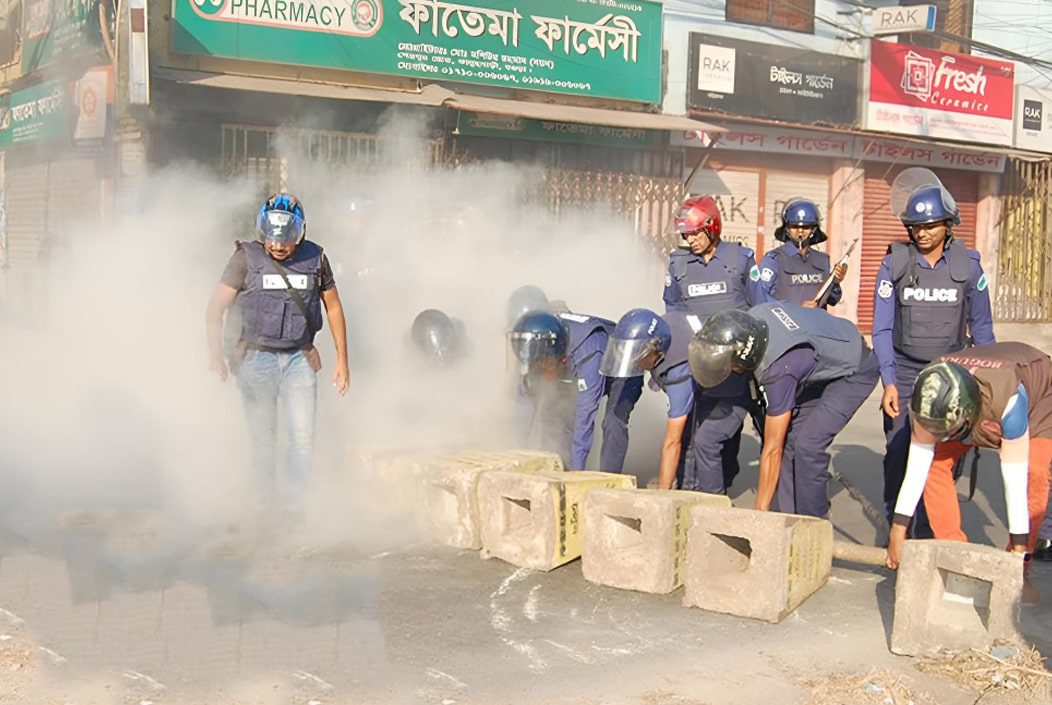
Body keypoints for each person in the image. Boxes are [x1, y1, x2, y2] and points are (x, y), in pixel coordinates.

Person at [206, 193, 349, 509]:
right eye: (272, 237)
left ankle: (294, 509)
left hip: (300, 359)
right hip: (256, 359)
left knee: (302, 439)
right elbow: (216, 307)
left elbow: (334, 308)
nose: (279, 245)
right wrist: (216, 353)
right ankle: (265, 505)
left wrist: (342, 359)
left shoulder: (316, 259)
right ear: (263, 231)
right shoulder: (245, 259)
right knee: (264, 439)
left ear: (299, 233)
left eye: (286, 237)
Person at [873, 181, 995, 538]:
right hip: (906, 372)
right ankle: (897, 530)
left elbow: (983, 329)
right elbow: (881, 329)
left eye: (930, 225)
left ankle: (927, 537)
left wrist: (986, 384)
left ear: (948, 225)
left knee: (941, 462)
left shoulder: (969, 266)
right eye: (916, 226)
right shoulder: (894, 263)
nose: (922, 233)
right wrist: (889, 381)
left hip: (952, 376)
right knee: (899, 455)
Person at [886, 345, 1052, 602]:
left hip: (1038, 394)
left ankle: (1020, 574)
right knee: (934, 465)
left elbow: (1015, 486)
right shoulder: (926, 395)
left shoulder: (1010, 403)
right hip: (964, 403)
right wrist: (898, 530)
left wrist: (1019, 558)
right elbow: (918, 466)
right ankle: (957, 561)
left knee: (1035, 473)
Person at [688, 303, 879, 517]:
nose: (730, 371)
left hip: (855, 368)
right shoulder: (753, 319)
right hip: (817, 358)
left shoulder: (778, 371)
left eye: (731, 366)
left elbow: (772, 450)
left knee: (808, 445)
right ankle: (790, 518)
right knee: (790, 441)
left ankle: (812, 524)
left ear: (746, 357)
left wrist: (759, 514)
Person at [663, 194, 764, 493]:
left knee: (725, 441)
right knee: (694, 438)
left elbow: (761, 310)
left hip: (737, 368)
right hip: (699, 365)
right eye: (686, 234)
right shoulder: (678, 265)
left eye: (695, 233)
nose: (690, 240)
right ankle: (695, 495)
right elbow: (673, 312)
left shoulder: (741, 260)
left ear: (712, 226)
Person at [508, 309, 643, 472]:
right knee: (557, 411)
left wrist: (575, 478)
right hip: (578, 365)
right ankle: (560, 466)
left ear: (557, 359)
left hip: (622, 372)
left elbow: (584, 417)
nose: (538, 370)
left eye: (542, 364)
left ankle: (610, 477)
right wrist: (516, 455)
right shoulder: (542, 337)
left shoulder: (589, 352)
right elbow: (524, 399)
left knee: (613, 422)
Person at [757, 198, 845, 308]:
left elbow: (833, 299)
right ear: (787, 228)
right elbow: (759, 297)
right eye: (795, 226)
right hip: (785, 324)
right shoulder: (774, 260)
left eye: (805, 227)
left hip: (817, 324)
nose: (800, 231)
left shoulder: (822, 260)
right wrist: (796, 308)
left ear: (813, 229)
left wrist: (836, 281)